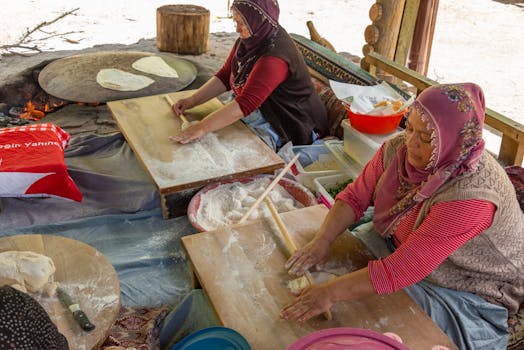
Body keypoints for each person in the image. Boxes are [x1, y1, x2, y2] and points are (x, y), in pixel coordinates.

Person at [280, 83, 524, 350]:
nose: (411, 143)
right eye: (409, 128)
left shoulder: (471, 194)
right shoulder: (398, 151)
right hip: (406, 248)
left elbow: (404, 268)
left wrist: (329, 292)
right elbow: (355, 197)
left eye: (427, 137)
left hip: (467, 288)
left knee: (378, 320)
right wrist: (322, 241)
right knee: (340, 271)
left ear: (456, 139)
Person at [169, 0, 328, 151]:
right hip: (265, 108)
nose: (237, 29)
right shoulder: (254, 38)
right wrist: (192, 100)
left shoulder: (274, 57)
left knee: (232, 150)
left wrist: (201, 127)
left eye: (242, 23)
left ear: (258, 21)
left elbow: (245, 103)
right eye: (235, 21)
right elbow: (226, 75)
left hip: (290, 121)